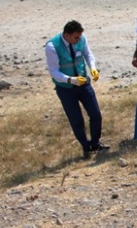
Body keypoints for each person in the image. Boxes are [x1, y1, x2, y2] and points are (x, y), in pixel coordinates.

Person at [45, 20, 109, 159]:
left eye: (80, 37)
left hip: (84, 84)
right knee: (76, 119)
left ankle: (95, 143)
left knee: (95, 114)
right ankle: (86, 147)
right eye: (75, 37)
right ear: (67, 35)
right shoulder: (52, 47)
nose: (78, 39)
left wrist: (92, 68)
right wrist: (71, 80)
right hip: (66, 88)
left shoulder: (81, 39)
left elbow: (88, 54)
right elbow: (54, 72)